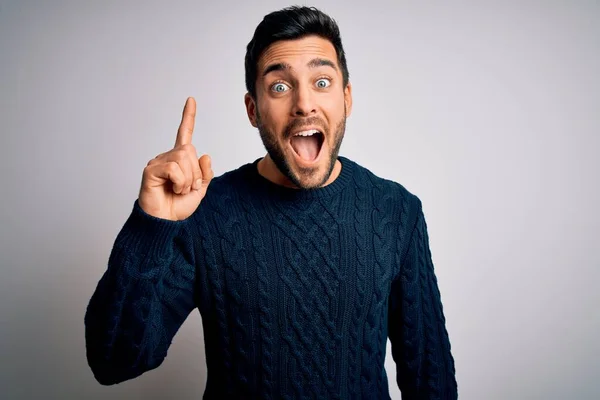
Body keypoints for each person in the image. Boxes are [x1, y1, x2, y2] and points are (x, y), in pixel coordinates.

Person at [84, 5, 458, 399]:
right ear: (253, 110)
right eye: (280, 86)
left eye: (322, 82)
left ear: (346, 98)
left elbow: (431, 382)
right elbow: (113, 362)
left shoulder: (396, 212)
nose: (304, 103)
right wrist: (151, 226)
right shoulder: (206, 213)